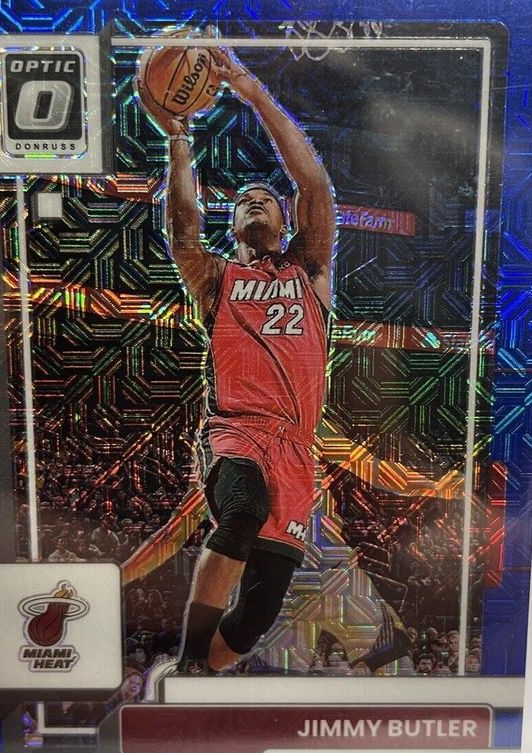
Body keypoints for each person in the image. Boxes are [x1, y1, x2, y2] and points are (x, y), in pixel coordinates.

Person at [134, 47, 335, 675]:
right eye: (242, 200)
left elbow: (314, 184)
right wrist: (178, 141)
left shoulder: (310, 268)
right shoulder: (216, 278)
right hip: (235, 431)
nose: (252, 202)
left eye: (264, 199)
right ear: (232, 222)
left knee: (256, 616)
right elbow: (182, 230)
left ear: (284, 219)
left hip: (296, 448)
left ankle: (205, 672)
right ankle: (190, 666)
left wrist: (253, 93)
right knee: (242, 511)